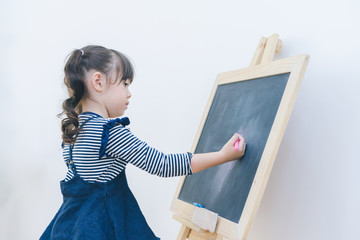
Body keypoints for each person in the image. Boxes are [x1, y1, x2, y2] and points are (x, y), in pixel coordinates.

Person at [40, 45, 246, 240]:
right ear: (98, 82)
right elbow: (163, 164)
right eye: (125, 83)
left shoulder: (74, 131)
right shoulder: (108, 133)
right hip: (103, 229)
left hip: (71, 227)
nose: (129, 93)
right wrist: (222, 156)